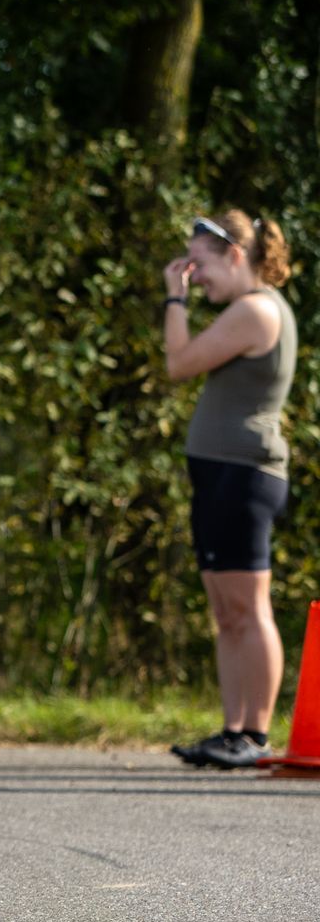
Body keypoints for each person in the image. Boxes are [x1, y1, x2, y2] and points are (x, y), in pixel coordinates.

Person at [162, 210, 297, 770]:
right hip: (221, 476)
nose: (194, 276)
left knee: (249, 608)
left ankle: (255, 735)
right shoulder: (245, 310)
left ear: (236, 256)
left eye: (200, 265)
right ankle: (232, 731)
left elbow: (179, 363)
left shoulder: (255, 310)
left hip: (244, 477)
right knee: (227, 613)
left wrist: (174, 300)